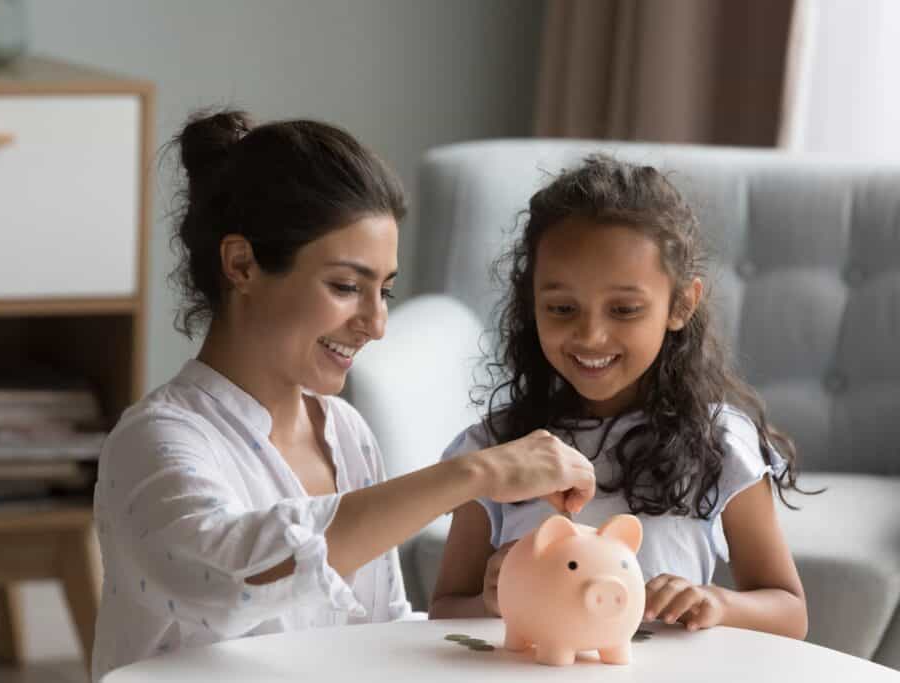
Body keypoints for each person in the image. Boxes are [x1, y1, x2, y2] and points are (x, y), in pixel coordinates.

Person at [90, 109, 597, 681]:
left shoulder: (345, 431)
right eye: (346, 287)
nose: (376, 323)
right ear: (241, 264)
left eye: (384, 290)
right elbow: (233, 580)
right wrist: (472, 474)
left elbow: (380, 628)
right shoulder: (155, 440)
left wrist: (505, 603)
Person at [429, 155, 809, 639]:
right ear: (532, 305)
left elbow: (789, 611)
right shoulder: (496, 450)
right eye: (562, 308)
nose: (590, 335)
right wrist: (492, 600)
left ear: (680, 305)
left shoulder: (721, 442)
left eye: (624, 310)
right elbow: (443, 609)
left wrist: (715, 602)